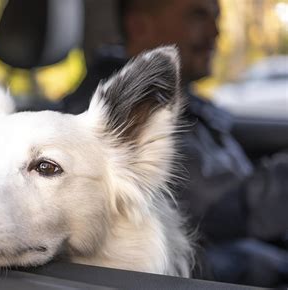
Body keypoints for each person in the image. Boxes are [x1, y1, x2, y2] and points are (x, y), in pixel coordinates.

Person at [62, 0, 288, 286]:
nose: (215, 31)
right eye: (198, 16)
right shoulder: (113, 123)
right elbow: (223, 211)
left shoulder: (187, 104)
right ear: (139, 26)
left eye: (216, 18)